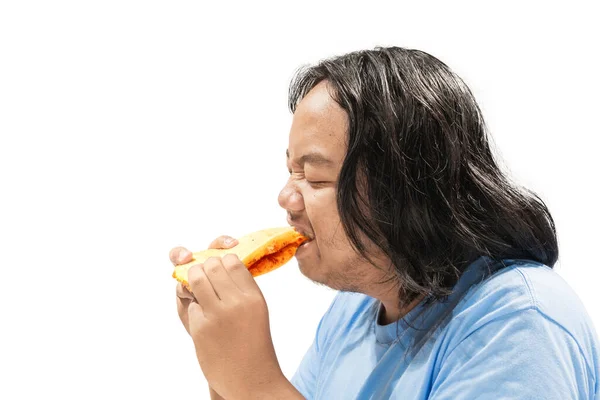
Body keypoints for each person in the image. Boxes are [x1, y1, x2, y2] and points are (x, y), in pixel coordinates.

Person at [169, 47, 600, 399]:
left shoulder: (518, 320)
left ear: (404, 190)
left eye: (315, 176)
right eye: (291, 171)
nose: (286, 198)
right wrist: (223, 364)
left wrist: (254, 383)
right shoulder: (354, 311)